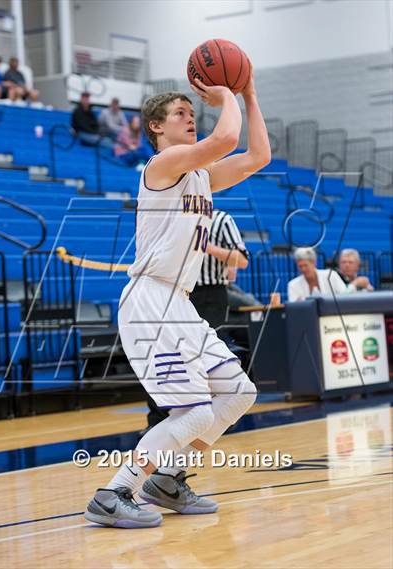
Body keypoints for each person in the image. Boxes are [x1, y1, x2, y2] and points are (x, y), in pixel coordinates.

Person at [84, 62, 271, 529]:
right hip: (150, 301)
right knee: (192, 411)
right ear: (155, 126)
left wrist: (247, 95)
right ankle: (113, 493)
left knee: (238, 393)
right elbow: (226, 140)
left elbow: (257, 156)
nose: (192, 117)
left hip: (180, 303)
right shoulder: (161, 165)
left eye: (193, 111)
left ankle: (167, 480)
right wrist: (226, 94)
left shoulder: (201, 177)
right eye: (181, 112)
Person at [145, 209, 250, 430]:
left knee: (205, 358)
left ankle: (215, 415)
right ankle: (158, 421)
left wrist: (205, 246)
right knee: (163, 354)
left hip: (210, 295)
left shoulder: (222, 220)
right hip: (174, 292)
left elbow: (241, 260)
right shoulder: (173, 218)